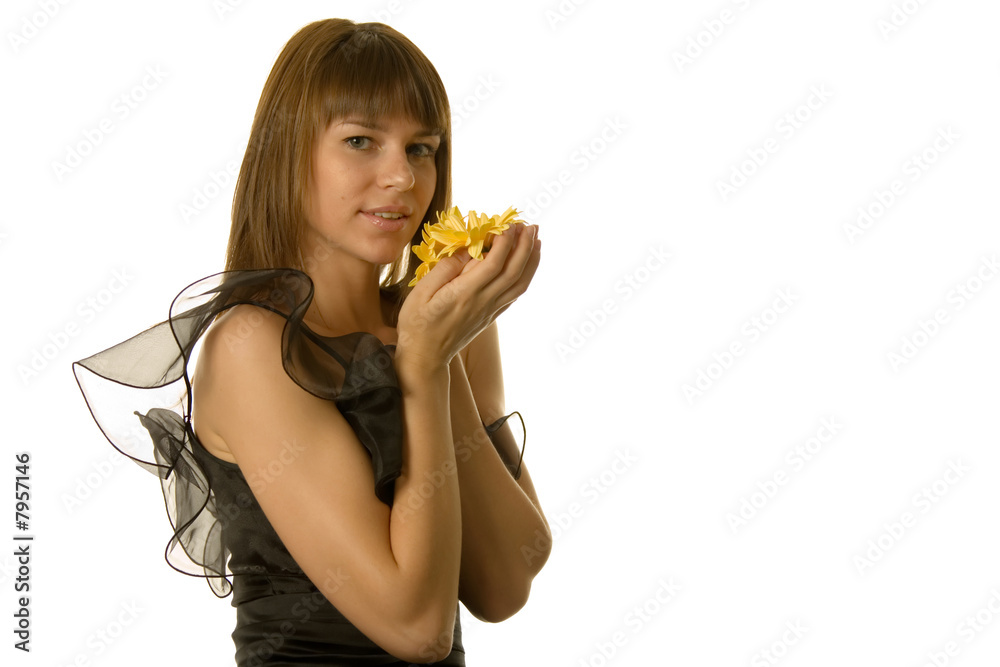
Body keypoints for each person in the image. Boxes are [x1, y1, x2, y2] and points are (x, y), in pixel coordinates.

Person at [71, 18, 549, 666]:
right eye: (361, 140)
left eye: (421, 148)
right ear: (288, 153)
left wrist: (443, 348)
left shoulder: (444, 326)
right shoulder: (252, 347)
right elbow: (417, 628)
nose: (403, 178)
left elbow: (505, 583)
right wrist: (425, 365)